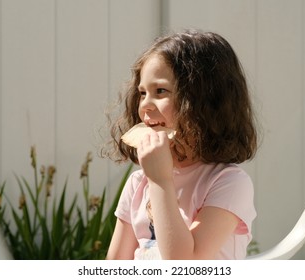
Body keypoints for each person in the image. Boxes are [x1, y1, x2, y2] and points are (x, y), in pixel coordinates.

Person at [103, 29, 258, 260]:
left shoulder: (229, 183)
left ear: (205, 102)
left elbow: (185, 265)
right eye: (142, 93)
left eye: (160, 91)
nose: (145, 105)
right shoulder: (138, 183)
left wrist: (160, 181)